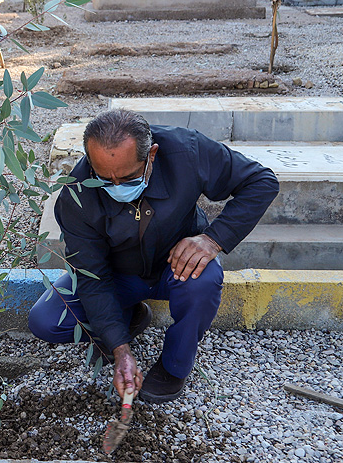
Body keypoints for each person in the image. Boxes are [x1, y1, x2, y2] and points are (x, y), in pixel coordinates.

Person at [28, 109, 279, 403]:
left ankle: (175, 367)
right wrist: (120, 349)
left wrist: (213, 239)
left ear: (152, 155)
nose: (117, 188)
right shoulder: (76, 194)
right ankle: (128, 317)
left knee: (203, 281)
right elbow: (92, 279)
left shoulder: (187, 151)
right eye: (104, 179)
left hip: (175, 268)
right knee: (46, 319)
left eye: (128, 176)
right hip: (117, 276)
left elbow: (261, 182)